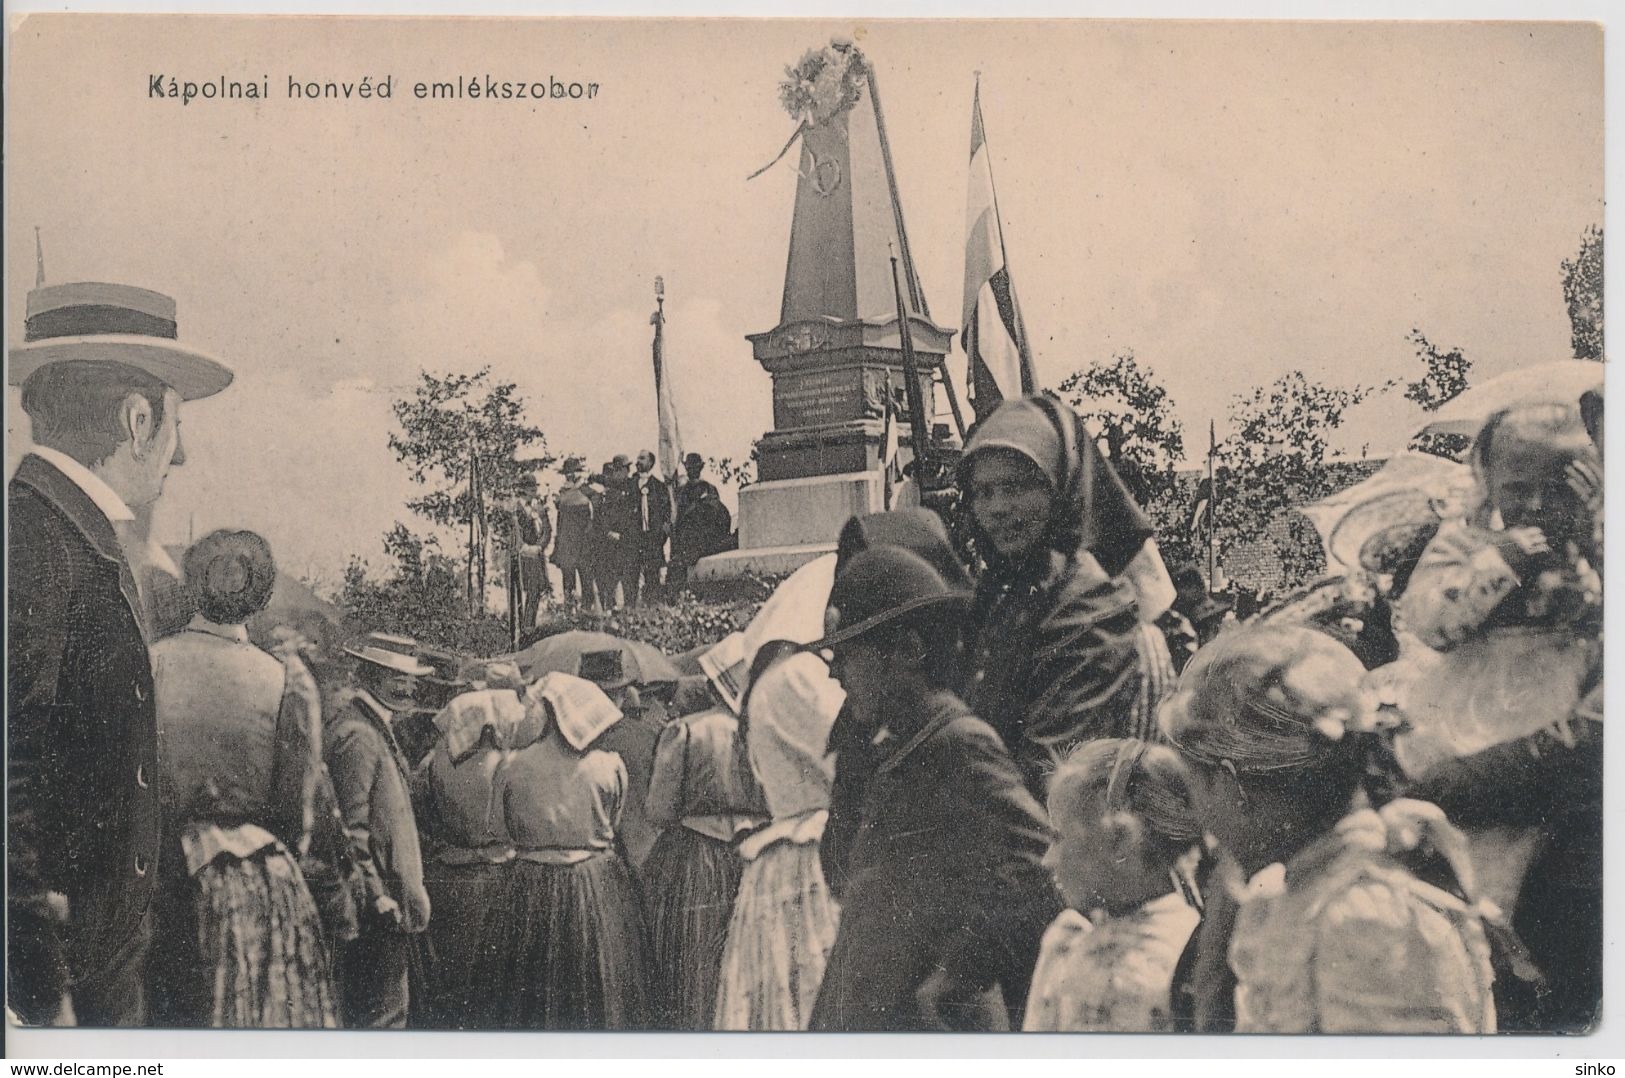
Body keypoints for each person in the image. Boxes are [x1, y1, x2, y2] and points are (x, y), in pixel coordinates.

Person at [9, 280, 233, 1027]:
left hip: (99, 962)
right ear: (138, 421)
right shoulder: (39, 542)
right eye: (175, 425)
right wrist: (40, 991)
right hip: (71, 985)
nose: (180, 456)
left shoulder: (59, 533)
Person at [1160, 624, 1497, 1034]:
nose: (1202, 820)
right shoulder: (1296, 893)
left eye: (1195, 789)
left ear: (1233, 786)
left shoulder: (1364, 918)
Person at [806, 547, 1061, 1032]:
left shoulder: (958, 744)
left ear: (907, 651)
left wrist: (956, 975)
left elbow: (1041, 873)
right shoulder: (900, 747)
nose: (834, 672)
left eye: (848, 654)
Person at [148, 530, 338, 1028]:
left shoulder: (155, 661)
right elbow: (298, 809)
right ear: (257, 597)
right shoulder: (282, 678)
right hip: (259, 879)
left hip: (164, 870)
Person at [956, 394, 1154, 798]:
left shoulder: (1090, 606)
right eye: (983, 492)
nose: (996, 508)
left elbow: (1052, 774)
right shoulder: (996, 597)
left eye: (1015, 487)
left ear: (1058, 486)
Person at [493, 673, 651, 1029]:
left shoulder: (512, 764)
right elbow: (614, 818)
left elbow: (501, 828)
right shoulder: (608, 764)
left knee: (532, 981)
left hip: (530, 881)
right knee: (597, 971)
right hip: (595, 881)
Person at [1023, 739, 1204, 1032]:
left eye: (1060, 838)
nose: (1047, 860)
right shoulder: (1067, 938)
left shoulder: (1161, 961)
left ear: (1121, 841)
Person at [713, 642, 844, 1031]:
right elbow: (849, 762)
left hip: (791, 857)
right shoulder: (799, 675)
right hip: (812, 857)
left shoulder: (773, 676)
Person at [325, 643, 435, 1028]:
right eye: (397, 679)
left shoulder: (373, 726)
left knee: (388, 1014)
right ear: (370, 678)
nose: (408, 689)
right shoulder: (358, 733)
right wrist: (377, 896)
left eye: (410, 680)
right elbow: (351, 831)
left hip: (389, 901)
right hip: (377, 907)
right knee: (382, 1018)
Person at [642, 705, 768, 1030]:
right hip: (757, 853)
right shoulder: (768, 723)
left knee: (693, 957)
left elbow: (659, 810)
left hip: (695, 854)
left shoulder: (688, 729)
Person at [415, 688, 529, 1030]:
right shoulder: (505, 764)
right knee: (493, 974)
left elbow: (421, 812)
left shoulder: (434, 761)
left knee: (453, 970)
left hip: (448, 872)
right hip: (497, 874)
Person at [669, 455, 733, 587]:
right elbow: (679, 519)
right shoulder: (682, 491)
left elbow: (719, 515)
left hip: (705, 539)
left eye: (695, 466)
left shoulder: (709, 489)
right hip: (687, 540)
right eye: (689, 467)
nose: (691, 470)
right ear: (686, 468)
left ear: (701, 467)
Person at [505, 476, 553, 635]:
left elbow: (547, 530)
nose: (533, 491)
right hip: (522, 556)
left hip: (536, 554)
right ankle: (521, 627)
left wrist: (539, 546)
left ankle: (528, 626)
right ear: (523, 489)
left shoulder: (538, 507)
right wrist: (523, 547)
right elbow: (513, 532)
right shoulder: (515, 509)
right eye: (530, 487)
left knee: (537, 588)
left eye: (534, 487)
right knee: (522, 588)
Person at [551, 457, 597, 611]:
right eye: (568, 473)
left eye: (574, 472)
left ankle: (587, 609)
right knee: (568, 576)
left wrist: (591, 528)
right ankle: (570, 610)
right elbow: (560, 519)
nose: (570, 475)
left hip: (583, 540)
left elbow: (597, 509)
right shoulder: (562, 492)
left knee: (585, 575)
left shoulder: (586, 490)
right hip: (567, 540)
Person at [631, 449, 672, 605]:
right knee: (633, 575)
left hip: (653, 539)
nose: (638, 462)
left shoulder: (659, 487)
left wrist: (661, 535)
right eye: (637, 458)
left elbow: (666, 513)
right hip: (635, 539)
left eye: (642, 458)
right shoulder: (631, 485)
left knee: (653, 576)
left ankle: (652, 608)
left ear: (651, 463)